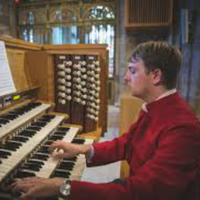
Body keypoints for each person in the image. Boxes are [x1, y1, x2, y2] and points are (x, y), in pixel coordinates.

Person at [10, 41, 200, 200]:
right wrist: (84, 149)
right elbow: (128, 143)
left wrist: (64, 186)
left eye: (133, 71)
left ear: (156, 75)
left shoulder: (182, 128)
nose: (126, 77)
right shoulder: (156, 107)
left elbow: (141, 192)